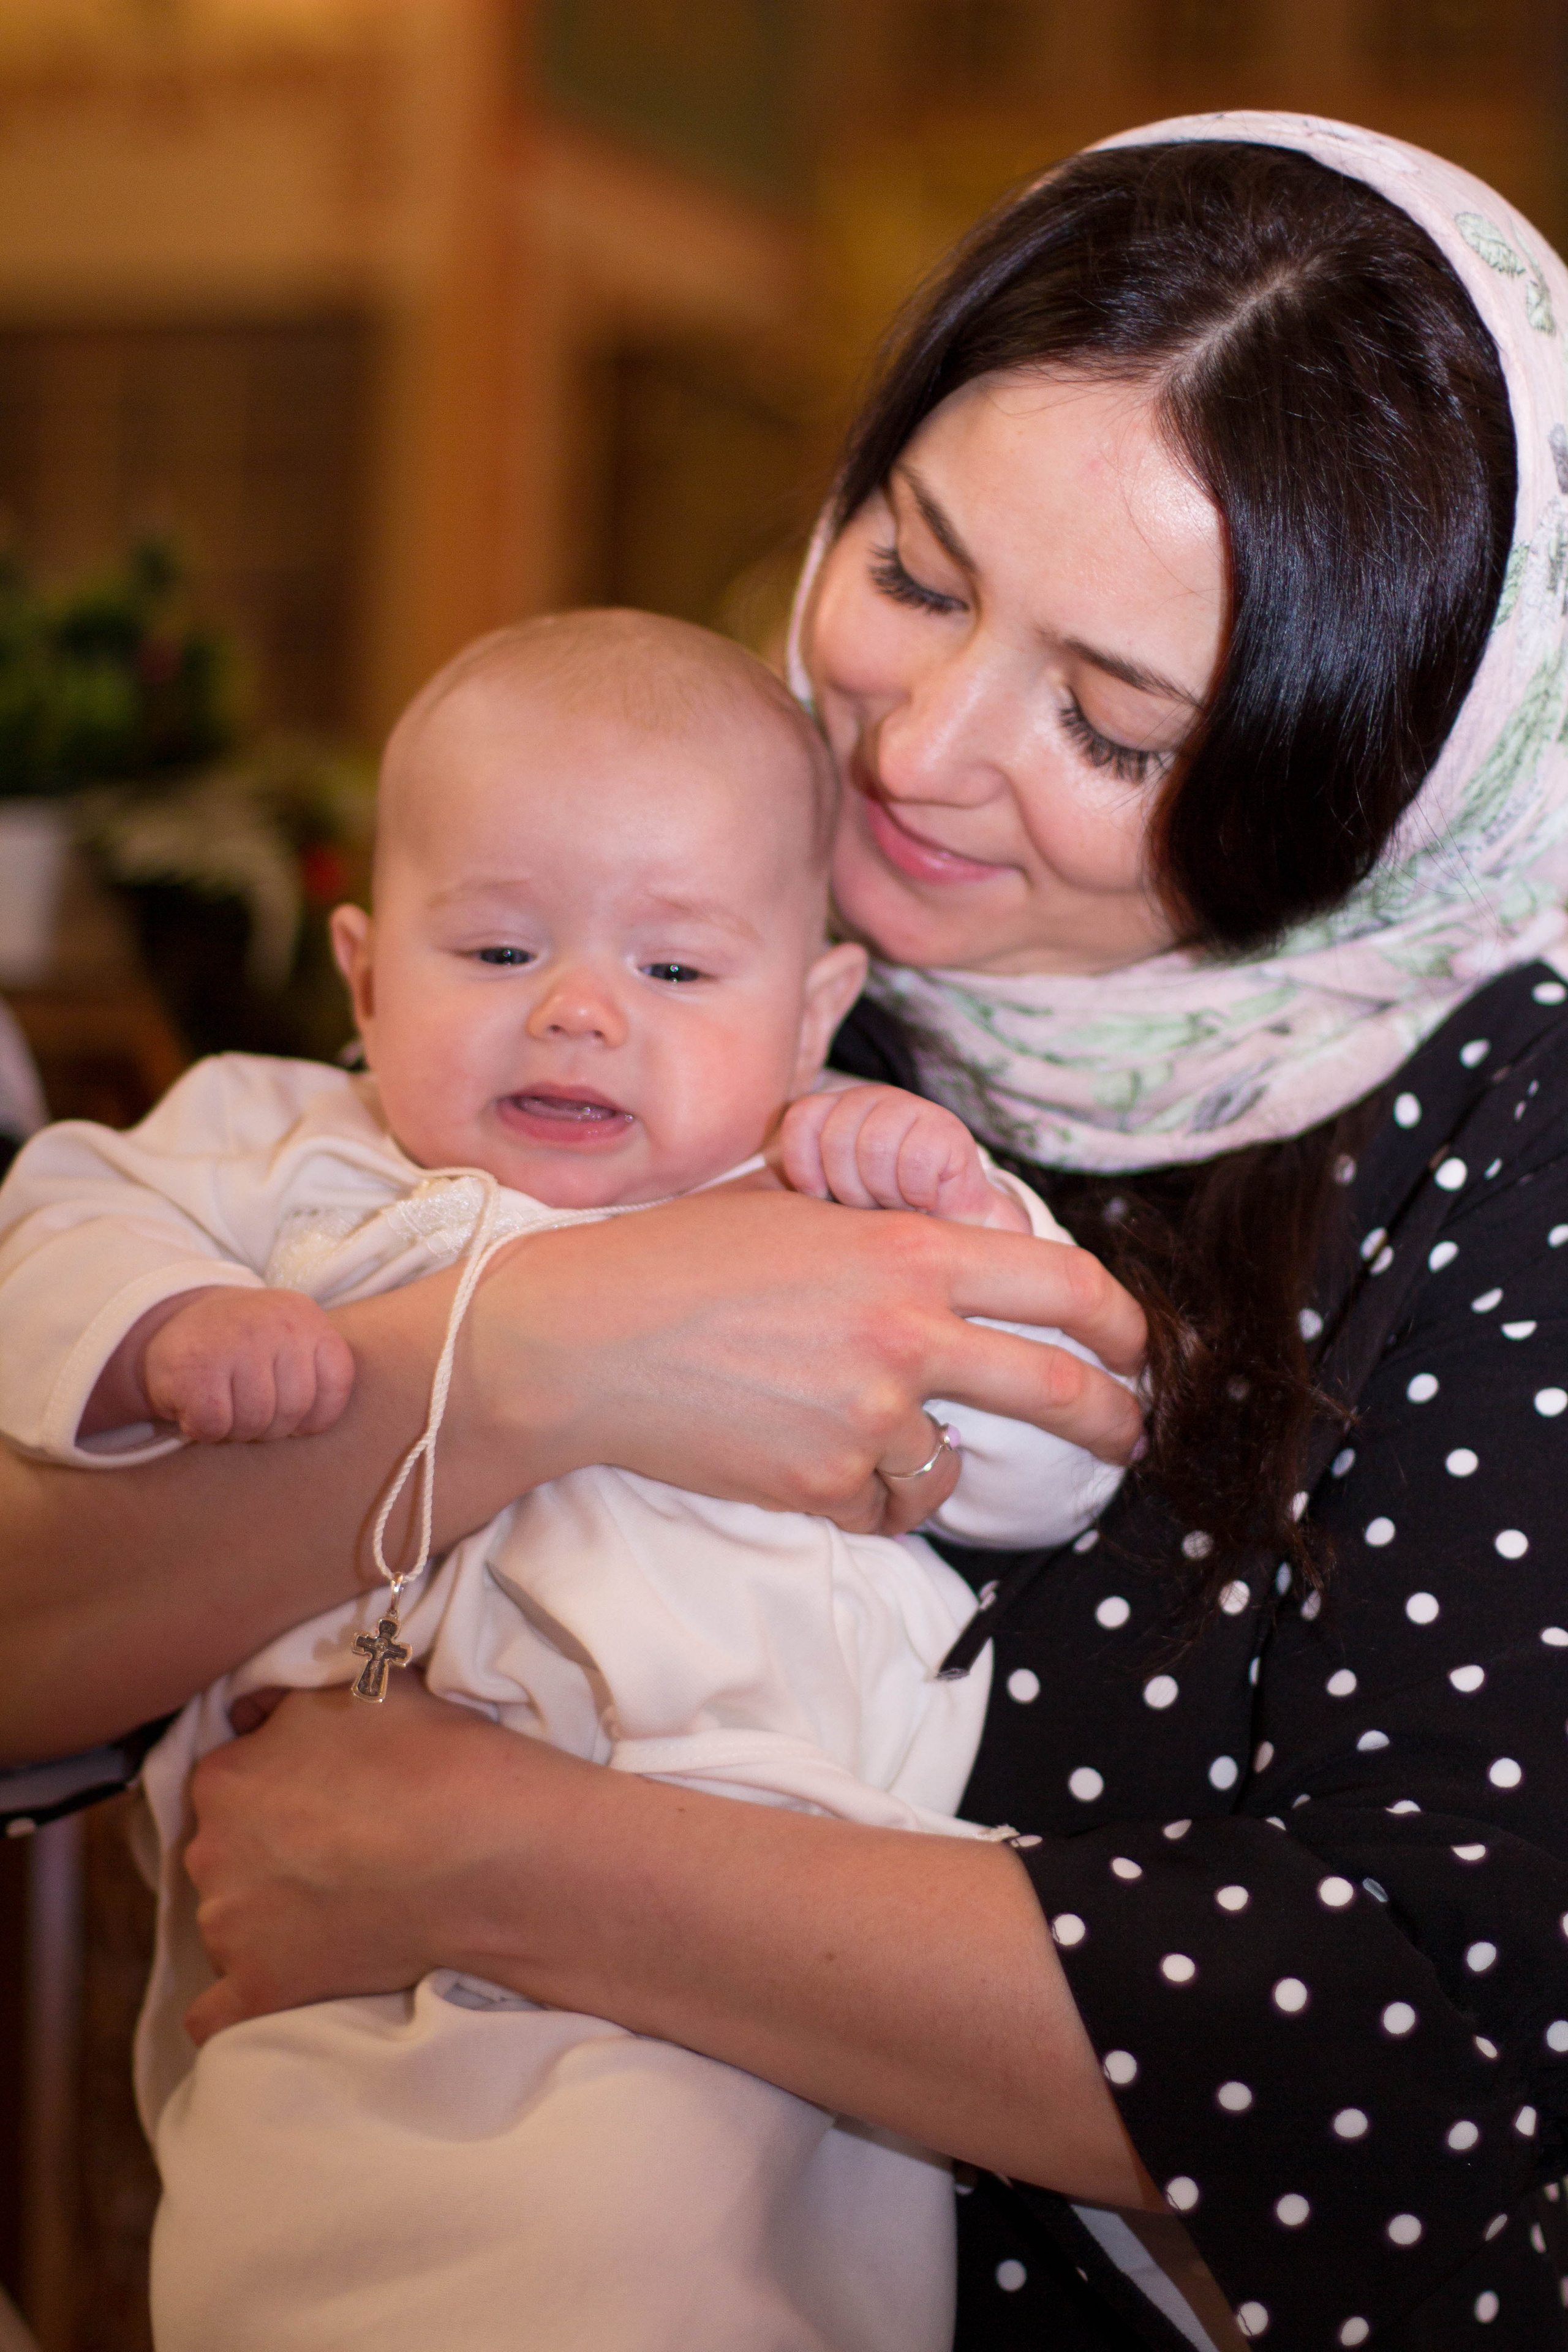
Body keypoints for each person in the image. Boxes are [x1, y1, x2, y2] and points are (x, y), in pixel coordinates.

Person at [5, 110, 1568, 2348]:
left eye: (1110, 727)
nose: (918, 753)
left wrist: (497, 1867)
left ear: (1354, 783)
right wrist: (552, 1354)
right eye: (916, 576)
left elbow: (1431, 2079)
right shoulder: (644, 941)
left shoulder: (1508, 1154)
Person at [0, 611, 1126, 2351]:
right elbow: (57, 1208)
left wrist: (956, 1204)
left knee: (666, 2261)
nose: (583, 1013)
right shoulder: (281, 1141)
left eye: (678, 972)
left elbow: (1062, 1451)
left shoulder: (847, 1201)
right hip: (329, 1941)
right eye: (503, 947)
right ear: (367, 976)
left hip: (742, 1933)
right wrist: (163, 1329)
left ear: (814, 1007)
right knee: (302, 2266)